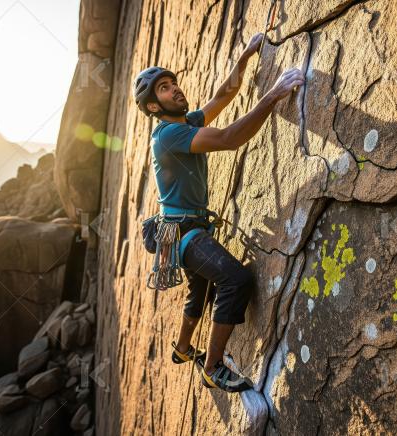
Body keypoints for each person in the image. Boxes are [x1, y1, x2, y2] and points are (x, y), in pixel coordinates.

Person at [134, 33, 305, 392]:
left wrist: (244, 56)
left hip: (179, 228)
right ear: (153, 107)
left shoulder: (185, 123)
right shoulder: (168, 136)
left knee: (200, 293)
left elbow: (225, 95)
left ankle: (182, 349)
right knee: (235, 280)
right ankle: (212, 367)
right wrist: (273, 94)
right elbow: (228, 138)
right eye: (165, 88)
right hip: (184, 233)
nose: (175, 89)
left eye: (174, 83)